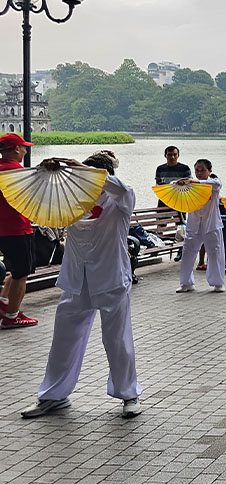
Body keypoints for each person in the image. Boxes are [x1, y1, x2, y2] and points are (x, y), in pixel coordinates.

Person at [21, 151, 142, 419]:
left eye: (87, 177)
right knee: (63, 339)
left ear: (102, 177)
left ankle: (128, 393)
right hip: (76, 280)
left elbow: (121, 188)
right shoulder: (72, 200)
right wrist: (45, 171)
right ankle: (53, 396)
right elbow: (41, 196)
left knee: (116, 339)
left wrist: (82, 169)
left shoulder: (120, 199)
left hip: (110, 278)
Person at [0, 133, 39, 329]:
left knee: (14, 270)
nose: (25, 150)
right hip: (17, 228)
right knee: (21, 273)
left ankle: (4, 302)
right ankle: (12, 316)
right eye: (23, 147)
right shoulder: (17, 172)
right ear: (16, 150)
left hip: (2, 230)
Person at [175, 159, 226, 293]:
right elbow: (172, 186)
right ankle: (186, 283)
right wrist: (179, 183)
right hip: (194, 223)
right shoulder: (190, 185)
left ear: (209, 171)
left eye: (202, 170)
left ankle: (218, 283)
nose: (199, 173)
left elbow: (216, 184)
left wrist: (196, 181)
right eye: (197, 170)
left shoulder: (213, 183)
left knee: (215, 253)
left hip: (211, 223)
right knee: (188, 252)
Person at [155, 145, 191, 262]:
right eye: (170, 155)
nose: (172, 157)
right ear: (165, 156)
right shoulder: (160, 169)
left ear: (178, 155)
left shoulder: (184, 168)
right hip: (164, 200)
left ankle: (180, 250)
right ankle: (156, 247)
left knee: (180, 227)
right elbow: (158, 185)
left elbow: (190, 184)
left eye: (175, 154)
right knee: (161, 225)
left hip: (180, 201)